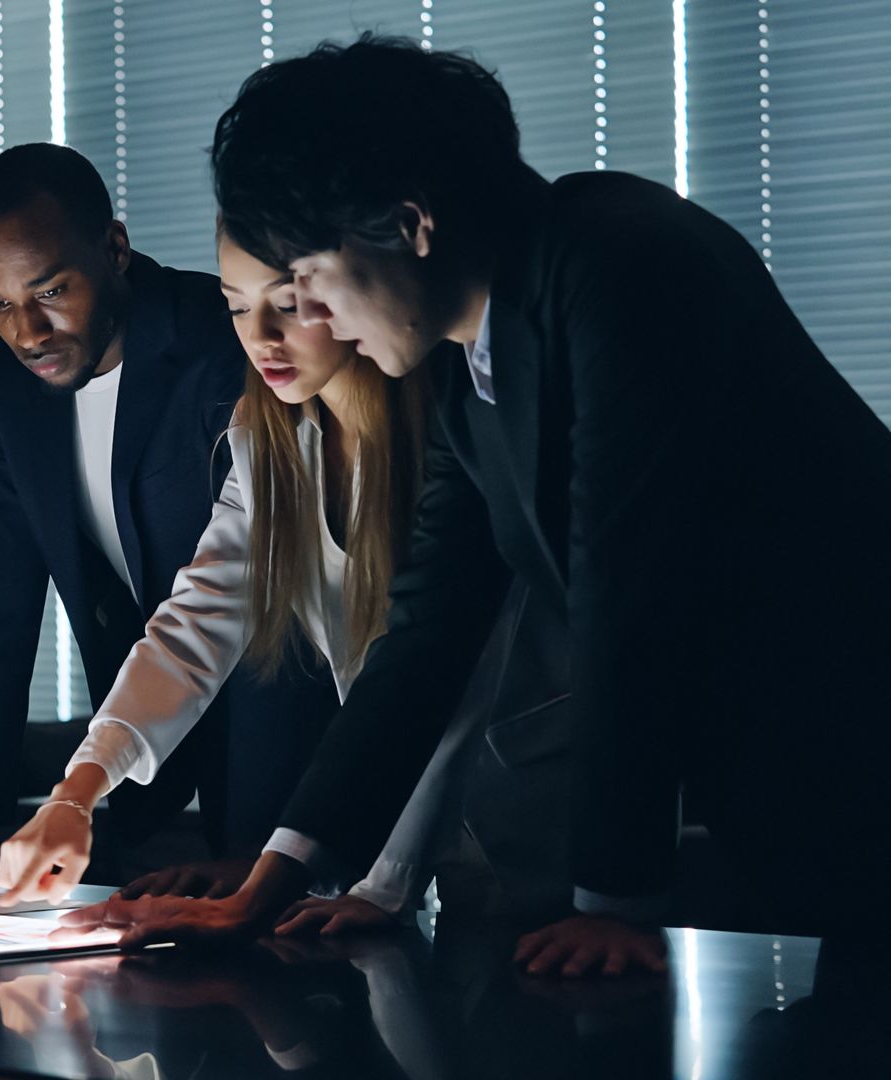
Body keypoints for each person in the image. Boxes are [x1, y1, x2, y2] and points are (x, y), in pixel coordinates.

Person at [61, 36, 891, 975]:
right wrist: (275, 881)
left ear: (410, 222)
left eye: (312, 279)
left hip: (857, 734)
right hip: (796, 784)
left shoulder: (620, 263)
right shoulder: (468, 363)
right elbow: (426, 630)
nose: (315, 321)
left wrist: (613, 900)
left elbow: (633, 590)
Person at [0, 223, 572, 925]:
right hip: (399, 849)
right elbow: (190, 632)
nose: (261, 336)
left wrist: (379, 886)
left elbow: (449, 681)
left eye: (288, 304)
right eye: (237, 307)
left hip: (539, 839)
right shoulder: (266, 440)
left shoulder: (450, 434)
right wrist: (74, 795)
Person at [0, 144, 340, 890]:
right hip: (134, 741)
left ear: (115, 249)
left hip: (278, 722)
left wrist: (269, 860)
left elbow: (250, 592)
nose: (26, 330)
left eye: (50, 291)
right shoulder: (8, 375)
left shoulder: (226, 337)